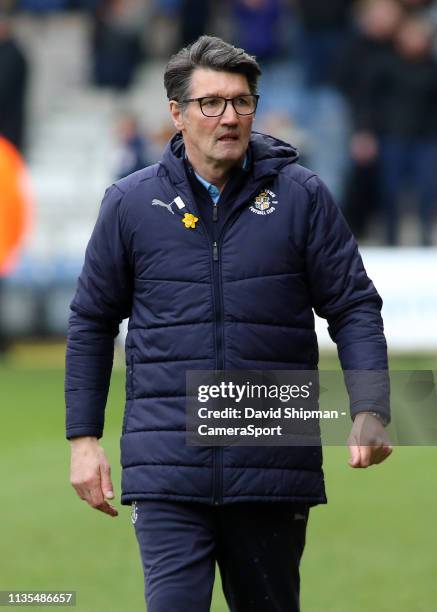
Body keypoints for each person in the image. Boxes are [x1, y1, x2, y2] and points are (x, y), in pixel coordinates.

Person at [66, 35, 392, 612]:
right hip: (168, 469)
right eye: (212, 103)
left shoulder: (303, 197)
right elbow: (91, 321)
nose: (230, 116)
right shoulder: (130, 203)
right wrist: (83, 440)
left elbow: (353, 305)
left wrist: (370, 405)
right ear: (177, 113)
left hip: (270, 462)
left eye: (242, 101)